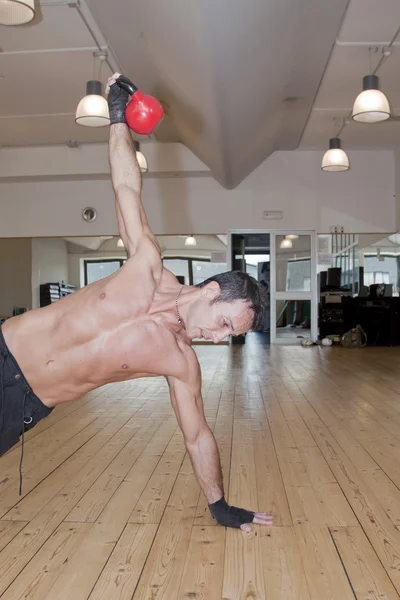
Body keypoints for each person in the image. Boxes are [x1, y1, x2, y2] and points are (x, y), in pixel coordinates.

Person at [0, 73, 273, 532]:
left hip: (26, 404)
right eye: (225, 324)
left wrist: (219, 504)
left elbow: (198, 435)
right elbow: (127, 189)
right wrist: (116, 120)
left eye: (232, 335)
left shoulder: (181, 362)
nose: (220, 338)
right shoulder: (146, 264)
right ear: (210, 291)